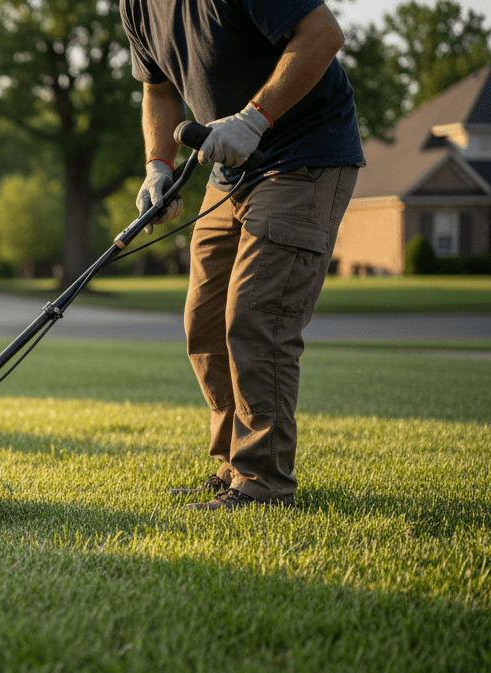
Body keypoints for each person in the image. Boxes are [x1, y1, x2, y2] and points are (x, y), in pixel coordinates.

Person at [119, 0, 365, 510]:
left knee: (258, 314)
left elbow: (322, 35)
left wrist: (255, 119)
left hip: (305, 154)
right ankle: (234, 466)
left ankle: (263, 483)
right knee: (204, 321)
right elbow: (159, 88)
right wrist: (157, 166)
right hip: (229, 168)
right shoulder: (136, 5)